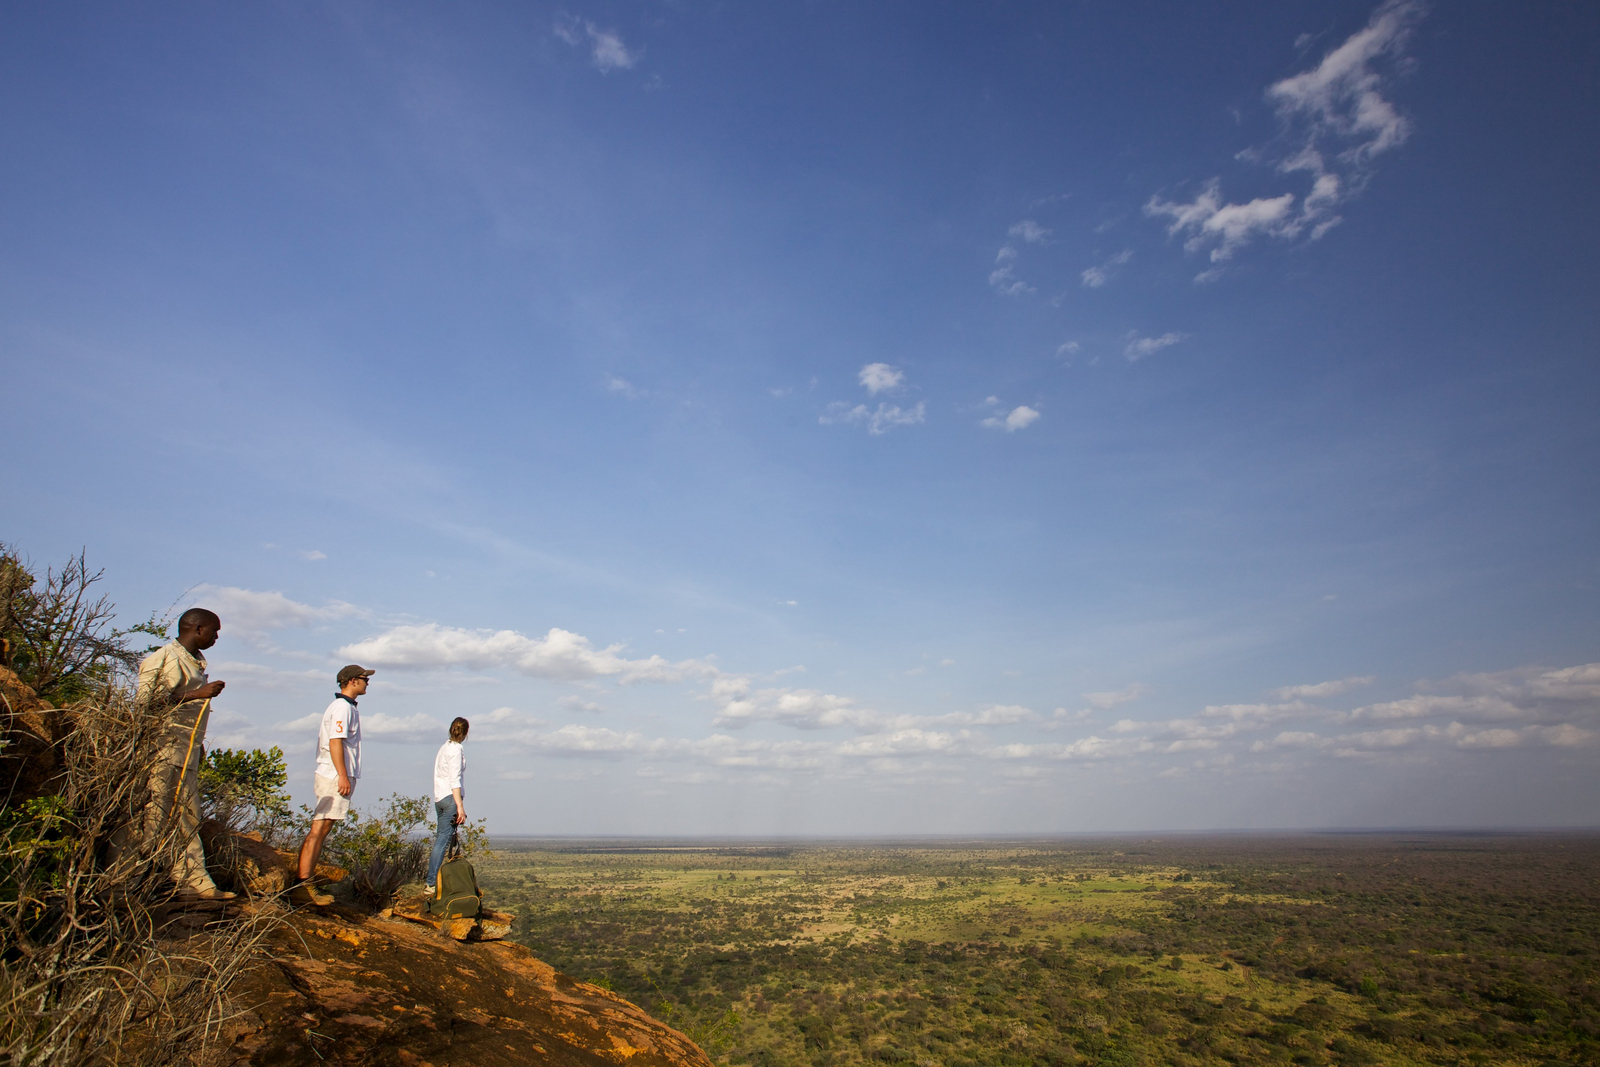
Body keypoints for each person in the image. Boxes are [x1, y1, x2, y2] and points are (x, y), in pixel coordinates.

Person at [136, 607, 235, 901]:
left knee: (188, 818)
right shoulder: (163, 658)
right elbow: (145, 704)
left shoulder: (195, 663)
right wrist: (196, 694)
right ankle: (126, 884)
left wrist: (198, 744)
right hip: (161, 750)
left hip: (186, 751)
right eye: (214, 631)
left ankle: (194, 881)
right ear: (198, 629)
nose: (217, 637)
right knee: (151, 818)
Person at [291, 664, 372, 906]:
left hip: (336, 774)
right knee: (320, 828)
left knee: (323, 828)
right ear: (352, 681)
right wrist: (342, 775)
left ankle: (305, 881)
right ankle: (302, 884)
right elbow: (335, 741)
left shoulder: (347, 707)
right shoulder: (342, 708)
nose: (367, 683)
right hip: (333, 775)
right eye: (364, 679)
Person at [425, 716, 469, 894]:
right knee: (443, 841)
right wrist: (460, 806)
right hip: (450, 798)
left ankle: (433, 881)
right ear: (465, 733)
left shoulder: (444, 748)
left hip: (439, 797)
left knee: (440, 840)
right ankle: (430, 884)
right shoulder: (456, 750)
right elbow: (455, 779)